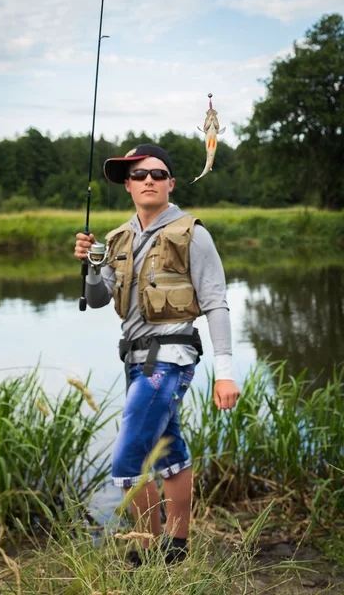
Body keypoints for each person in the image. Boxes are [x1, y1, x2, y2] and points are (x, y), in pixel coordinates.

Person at [74, 144, 240, 566]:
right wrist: (92, 266)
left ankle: (145, 549)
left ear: (170, 183)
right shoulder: (116, 239)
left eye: (157, 173)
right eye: (139, 174)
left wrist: (226, 372)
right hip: (133, 359)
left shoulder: (193, 233)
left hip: (171, 357)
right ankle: (177, 546)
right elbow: (96, 299)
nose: (148, 179)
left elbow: (216, 303)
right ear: (128, 185)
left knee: (129, 454)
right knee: (168, 449)